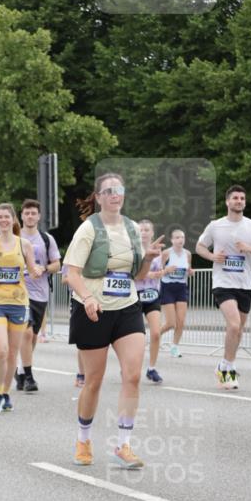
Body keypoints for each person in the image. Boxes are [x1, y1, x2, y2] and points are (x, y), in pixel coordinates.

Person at [63, 172, 164, 469]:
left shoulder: (133, 228)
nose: (114, 194)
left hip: (127, 307)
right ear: (98, 197)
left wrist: (147, 259)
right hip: (92, 309)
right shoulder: (88, 229)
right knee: (93, 381)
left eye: (118, 189)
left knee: (132, 376)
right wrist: (89, 298)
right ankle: (83, 439)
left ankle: (123, 445)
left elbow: (139, 277)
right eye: (107, 190)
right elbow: (71, 273)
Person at [195, 184, 251, 390]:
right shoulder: (216, 226)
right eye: (235, 198)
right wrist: (212, 256)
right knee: (234, 324)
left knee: (238, 330)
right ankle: (228, 370)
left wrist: (248, 248)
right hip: (223, 283)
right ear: (228, 201)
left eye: (242, 198)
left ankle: (224, 364)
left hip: (245, 284)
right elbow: (199, 246)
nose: (239, 201)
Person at [0, 203, 41, 413]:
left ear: (13, 220)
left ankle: (6, 392)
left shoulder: (24, 245)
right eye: (0, 217)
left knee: (13, 353)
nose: (4, 220)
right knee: (1, 350)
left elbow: (31, 270)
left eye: (7, 217)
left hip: (19, 303)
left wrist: (37, 270)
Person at [14, 199, 61, 393]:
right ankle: (30, 377)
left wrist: (44, 268)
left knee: (32, 337)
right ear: (22, 216)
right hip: (18, 293)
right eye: (27, 213)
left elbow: (57, 264)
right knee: (25, 333)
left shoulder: (46, 239)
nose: (30, 216)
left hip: (40, 294)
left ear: (39, 216)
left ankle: (20, 371)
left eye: (34, 213)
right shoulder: (14, 238)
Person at [136, 218, 167, 384]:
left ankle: (151, 368)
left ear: (152, 233)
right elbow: (132, 272)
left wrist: (160, 273)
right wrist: (149, 274)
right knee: (137, 338)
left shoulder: (157, 250)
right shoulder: (133, 250)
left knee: (155, 333)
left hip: (152, 295)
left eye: (147, 230)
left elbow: (159, 270)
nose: (143, 232)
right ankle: (129, 366)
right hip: (134, 295)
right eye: (140, 230)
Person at [159, 227, 193, 357]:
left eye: (182, 237)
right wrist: (166, 269)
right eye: (177, 237)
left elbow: (188, 269)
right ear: (172, 240)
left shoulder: (188, 254)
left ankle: (174, 347)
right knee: (170, 323)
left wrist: (190, 272)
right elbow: (158, 269)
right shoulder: (166, 253)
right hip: (168, 288)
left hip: (181, 288)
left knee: (181, 322)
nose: (180, 240)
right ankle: (157, 335)